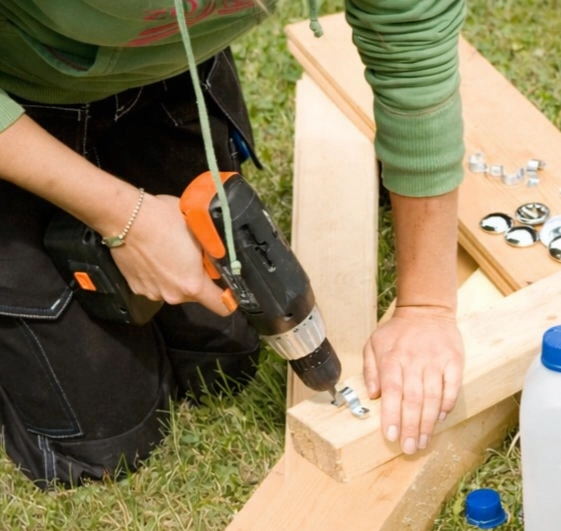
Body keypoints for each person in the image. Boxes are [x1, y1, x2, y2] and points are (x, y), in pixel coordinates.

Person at [0, 0, 465, 488]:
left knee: (220, 360)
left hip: (167, 68)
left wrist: (426, 307)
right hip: (19, 91)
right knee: (101, 444)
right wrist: (124, 217)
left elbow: (415, 53)